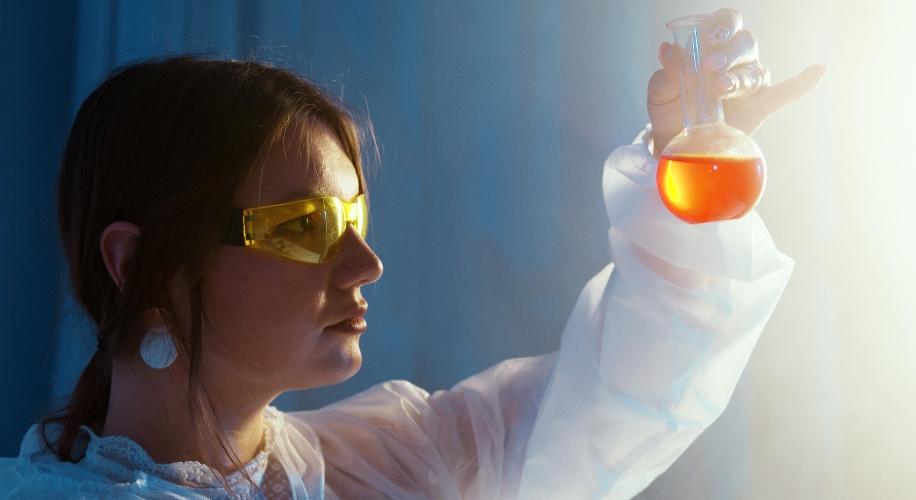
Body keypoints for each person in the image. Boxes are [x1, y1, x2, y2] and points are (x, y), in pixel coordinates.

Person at [0, 9, 825, 500]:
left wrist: (688, 172)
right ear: (136, 266)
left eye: (354, 217)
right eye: (302, 225)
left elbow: (622, 394)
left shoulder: (393, 466)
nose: (365, 264)